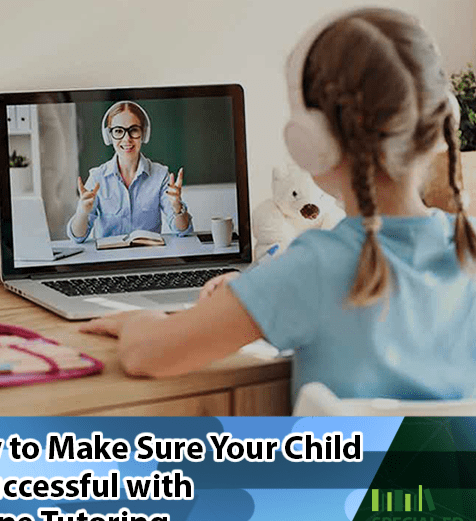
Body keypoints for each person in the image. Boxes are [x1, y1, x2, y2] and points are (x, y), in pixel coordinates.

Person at [78, 8, 476, 401]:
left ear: (313, 139)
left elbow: (148, 354)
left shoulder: (312, 268)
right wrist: (256, 292)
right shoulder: (468, 247)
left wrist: (137, 320)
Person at [67, 101, 193, 242]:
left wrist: (177, 207)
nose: (127, 139)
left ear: (144, 133)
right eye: (119, 131)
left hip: (149, 259)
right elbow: (78, 237)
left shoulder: (160, 175)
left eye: (133, 130)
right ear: (109, 136)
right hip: (110, 261)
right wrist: (82, 212)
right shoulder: (97, 177)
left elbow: (183, 230)